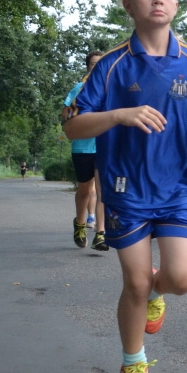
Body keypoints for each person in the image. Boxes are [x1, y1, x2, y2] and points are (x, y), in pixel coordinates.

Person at [62, 0, 187, 373]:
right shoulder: (112, 66)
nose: (158, 0)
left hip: (179, 187)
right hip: (125, 189)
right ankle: (133, 363)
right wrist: (119, 115)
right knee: (134, 283)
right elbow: (73, 128)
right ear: (128, 4)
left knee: (182, 278)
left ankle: (159, 290)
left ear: (176, 3)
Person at [63, 51, 108, 251]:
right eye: (92, 64)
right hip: (82, 147)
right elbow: (66, 115)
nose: (95, 67)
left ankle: (100, 233)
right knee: (85, 189)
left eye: (100, 64)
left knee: (101, 192)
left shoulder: (110, 90)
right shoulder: (78, 89)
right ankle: (80, 223)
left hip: (104, 146)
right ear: (88, 66)